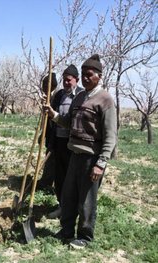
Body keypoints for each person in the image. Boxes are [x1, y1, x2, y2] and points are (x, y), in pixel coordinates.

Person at [44, 54, 117, 249]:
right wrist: (53, 114)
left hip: (91, 158)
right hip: (74, 155)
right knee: (68, 196)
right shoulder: (79, 97)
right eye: (83, 74)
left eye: (89, 74)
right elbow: (68, 122)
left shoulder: (105, 100)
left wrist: (101, 163)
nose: (85, 78)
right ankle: (66, 231)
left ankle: (84, 237)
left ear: (99, 76)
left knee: (86, 200)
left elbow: (110, 136)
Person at [46, 65, 84, 219]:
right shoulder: (59, 94)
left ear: (76, 80)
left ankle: (73, 209)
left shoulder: (81, 95)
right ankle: (62, 205)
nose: (66, 83)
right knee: (60, 177)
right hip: (59, 142)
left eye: (69, 80)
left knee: (72, 179)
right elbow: (52, 118)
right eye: (64, 80)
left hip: (73, 144)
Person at [37, 73, 58, 190]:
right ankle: (46, 180)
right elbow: (45, 119)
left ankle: (47, 182)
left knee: (52, 158)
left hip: (55, 135)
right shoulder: (49, 97)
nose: (43, 89)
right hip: (49, 134)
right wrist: (42, 134)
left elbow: (54, 118)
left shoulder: (57, 96)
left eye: (45, 86)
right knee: (49, 157)